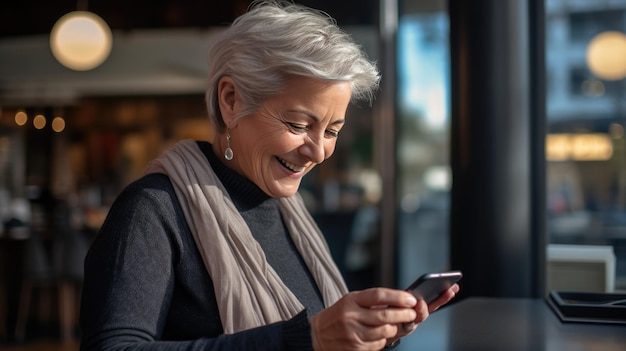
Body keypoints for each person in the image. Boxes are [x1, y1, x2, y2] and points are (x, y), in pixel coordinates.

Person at [79, 1, 460, 350]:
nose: (317, 151)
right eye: (297, 124)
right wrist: (308, 338)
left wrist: (370, 334)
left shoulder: (290, 210)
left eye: (331, 131)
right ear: (231, 101)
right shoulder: (151, 211)